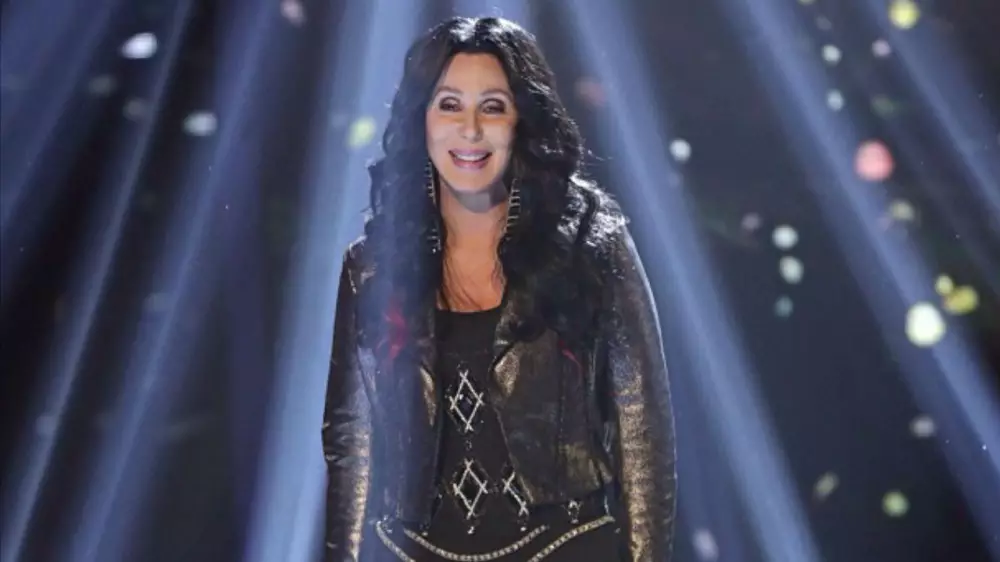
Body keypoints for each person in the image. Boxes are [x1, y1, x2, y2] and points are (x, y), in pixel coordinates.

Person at [322, 16, 675, 562]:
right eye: (449, 105)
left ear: (521, 121)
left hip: (566, 547)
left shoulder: (591, 246)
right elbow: (352, 445)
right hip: (410, 549)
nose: (470, 130)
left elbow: (643, 433)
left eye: (492, 107)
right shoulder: (371, 269)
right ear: (421, 120)